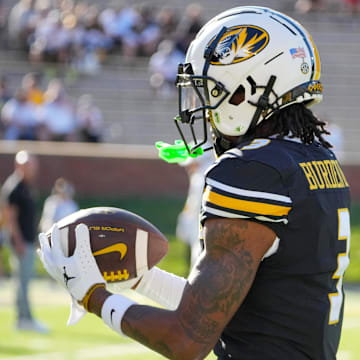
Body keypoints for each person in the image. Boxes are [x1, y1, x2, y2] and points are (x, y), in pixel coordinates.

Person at [38, 6, 351, 360]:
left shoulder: (252, 171)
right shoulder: (317, 159)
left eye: (212, 91)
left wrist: (92, 295)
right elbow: (230, 308)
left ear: (244, 91)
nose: (203, 108)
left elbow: (187, 340)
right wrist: (143, 280)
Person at [1, 150, 48, 333]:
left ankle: (25, 318)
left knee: (25, 281)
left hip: (28, 241)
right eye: (30, 165)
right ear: (19, 165)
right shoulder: (14, 187)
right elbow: (10, 218)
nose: (33, 169)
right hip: (20, 243)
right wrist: (18, 241)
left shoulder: (26, 186)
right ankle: (24, 318)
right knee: (22, 282)